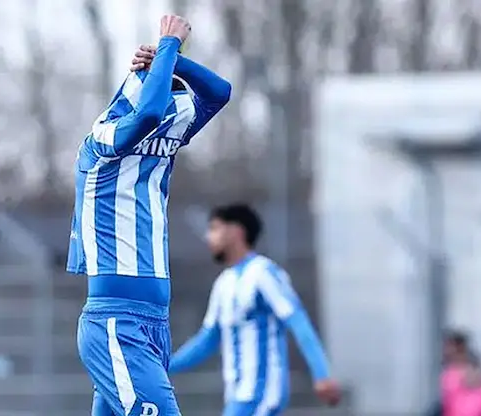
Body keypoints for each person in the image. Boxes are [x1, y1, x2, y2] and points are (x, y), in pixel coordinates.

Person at [67, 14, 232, 416]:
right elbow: (148, 115)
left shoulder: (162, 135)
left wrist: (171, 61)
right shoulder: (101, 140)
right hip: (115, 322)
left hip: (154, 322)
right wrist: (170, 43)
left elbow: (220, 92)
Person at [167, 204, 341, 416]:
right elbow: (207, 340)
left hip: (262, 392)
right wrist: (164, 367)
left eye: (214, 228)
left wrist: (322, 374)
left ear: (236, 231)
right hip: (237, 396)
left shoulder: (263, 273)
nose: (208, 237)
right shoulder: (224, 283)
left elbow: (298, 321)